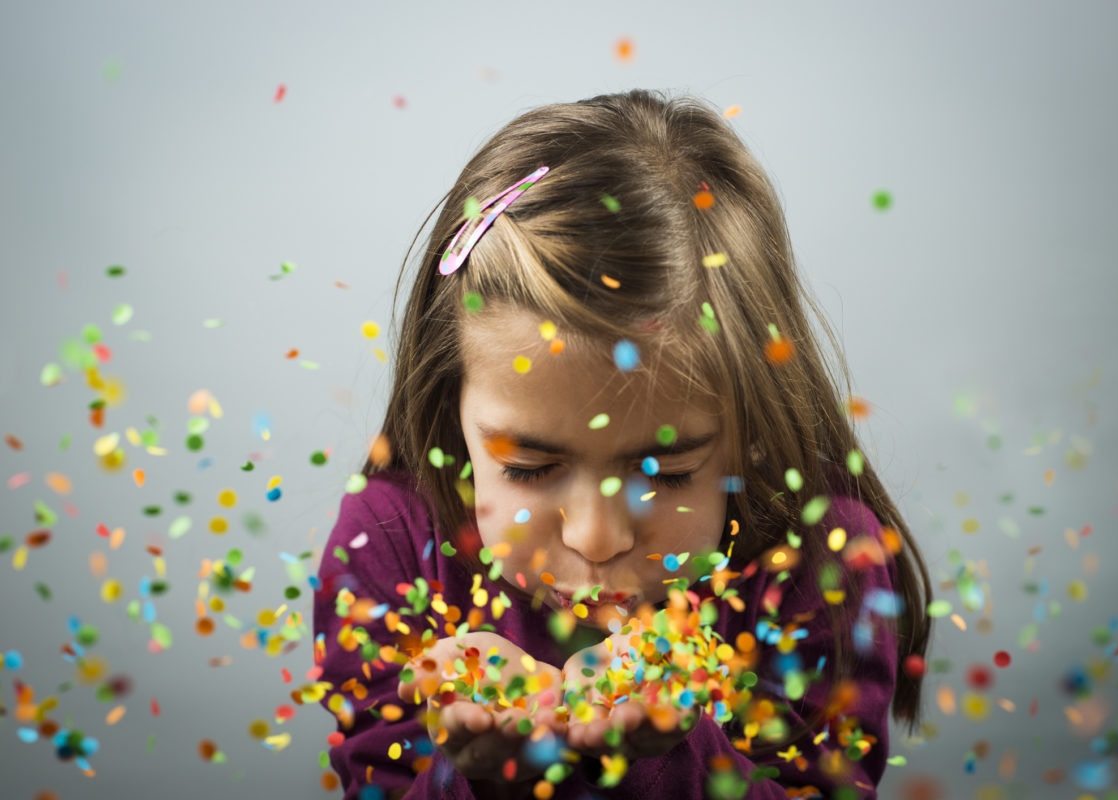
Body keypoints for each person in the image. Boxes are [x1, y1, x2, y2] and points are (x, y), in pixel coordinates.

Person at [312, 89, 932, 800]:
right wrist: (485, 774)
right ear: (450, 412)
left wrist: (672, 753)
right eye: (530, 467)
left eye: (665, 474)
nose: (597, 537)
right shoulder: (388, 542)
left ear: (750, 428)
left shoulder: (824, 558)